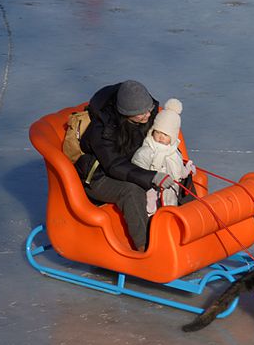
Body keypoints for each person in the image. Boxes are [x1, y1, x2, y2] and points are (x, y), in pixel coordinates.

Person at [75, 80, 181, 251]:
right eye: (140, 114)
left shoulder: (147, 113)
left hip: (133, 167)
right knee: (131, 191)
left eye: (149, 109)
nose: (147, 115)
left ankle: (186, 229)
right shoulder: (103, 129)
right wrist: (151, 177)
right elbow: (114, 165)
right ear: (125, 113)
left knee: (176, 173)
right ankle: (146, 248)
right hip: (98, 177)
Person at [131, 98, 197, 215]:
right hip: (152, 194)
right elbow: (137, 169)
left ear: (172, 137)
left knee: (170, 210)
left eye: (166, 134)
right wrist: (150, 185)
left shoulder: (174, 152)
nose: (161, 137)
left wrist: (187, 169)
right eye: (158, 132)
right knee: (154, 212)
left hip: (171, 193)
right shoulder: (146, 151)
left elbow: (179, 172)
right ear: (152, 131)